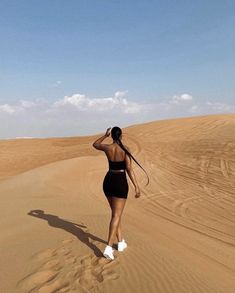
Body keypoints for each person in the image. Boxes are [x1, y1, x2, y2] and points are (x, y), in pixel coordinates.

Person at [92, 126, 149, 260]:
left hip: (108, 181)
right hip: (120, 182)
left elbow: (95, 144)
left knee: (115, 214)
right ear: (121, 136)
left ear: (112, 136)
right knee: (116, 215)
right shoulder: (125, 150)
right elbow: (129, 169)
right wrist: (137, 186)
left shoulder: (107, 148)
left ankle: (121, 242)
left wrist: (104, 135)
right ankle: (108, 248)